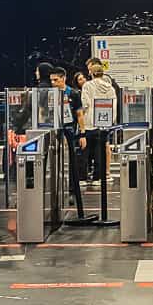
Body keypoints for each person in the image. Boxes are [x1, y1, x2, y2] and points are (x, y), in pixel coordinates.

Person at [50, 66, 89, 220]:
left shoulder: (73, 93)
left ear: (63, 78)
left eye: (56, 80)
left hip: (70, 130)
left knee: (73, 161)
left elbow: (79, 115)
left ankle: (73, 190)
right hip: (54, 130)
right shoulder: (49, 94)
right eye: (51, 80)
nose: (53, 83)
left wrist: (82, 133)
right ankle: (55, 192)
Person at [80, 58, 119, 186]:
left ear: (91, 73)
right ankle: (98, 177)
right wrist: (110, 122)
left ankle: (83, 177)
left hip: (88, 122)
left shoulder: (87, 85)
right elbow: (113, 107)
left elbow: (84, 104)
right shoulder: (110, 88)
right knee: (100, 151)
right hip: (103, 123)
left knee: (85, 151)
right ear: (103, 74)